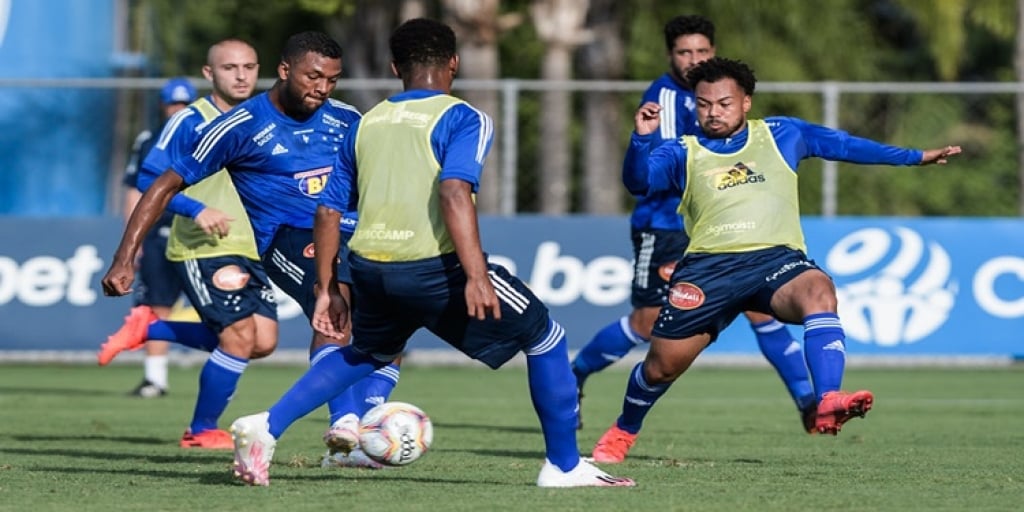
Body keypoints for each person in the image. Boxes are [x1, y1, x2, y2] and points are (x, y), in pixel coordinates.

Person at [225, 18, 635, 488]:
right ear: (454, 64)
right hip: (432, 265)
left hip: (369, 267)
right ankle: (564, 466)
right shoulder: (464, 117)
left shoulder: (368, 120)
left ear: (395, 66)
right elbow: (455, 191)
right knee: (546, 336)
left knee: (365, 352)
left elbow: (327, 210)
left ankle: (267, 426)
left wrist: (327, 289)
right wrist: (477, 274)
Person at [590, 57, 962, 463]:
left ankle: (827, 399)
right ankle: (624, 430)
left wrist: (913, 157)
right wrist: (641, 139)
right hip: (708, 270)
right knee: (660, 368)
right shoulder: (683, 150)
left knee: (819, 290)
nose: (713, 113)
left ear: (746, 102)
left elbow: (844, 145)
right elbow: (638, 182)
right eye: (703, 104)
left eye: (724, 103)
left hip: (775, 261)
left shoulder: (783, 134)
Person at [100, 31, 400, 466]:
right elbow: (162, 182)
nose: (321, 88)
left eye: (332, 80)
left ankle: (369, 414)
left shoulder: (347, 119)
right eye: (313, 77)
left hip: (351, 232)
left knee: (395, 306)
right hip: (285, 242)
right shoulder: (237, 125)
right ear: (284, 71)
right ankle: (346, 422)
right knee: (334, 302)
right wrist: (125, 256)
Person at [571, 14, 816, 433]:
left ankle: (809, 404)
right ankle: (574, 375)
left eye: (701, 51)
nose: (693, 59)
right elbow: (662, 170)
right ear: (670, 55)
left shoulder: (715, 94)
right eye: (684, 52)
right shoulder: (663, 100)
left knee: (763, 310)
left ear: (713, 52)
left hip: (718, 225)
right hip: (665, 224)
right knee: (648, 323)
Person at [99, 39, 278, 449]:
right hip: (203, 246)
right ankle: (200, 430)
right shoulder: (188, 120)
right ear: (208, 73)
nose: (241, 74)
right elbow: (148, 180)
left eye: (249, 66)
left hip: (251, 246)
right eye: (230, 67)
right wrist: (196, 209)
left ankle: (152, 326)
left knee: (263, 342)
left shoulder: (262, 117)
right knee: (237, 339)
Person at [113, 76, 198, 398]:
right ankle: (155, 379)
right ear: (163, 105)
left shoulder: (207, 136)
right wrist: (130, 244)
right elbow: (135, 190)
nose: (178, 109)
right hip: (159, 234)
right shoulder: (149, 140)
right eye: (173, 103)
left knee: (229, 317)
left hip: (199, 233)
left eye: (184, 103)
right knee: (158, 305)